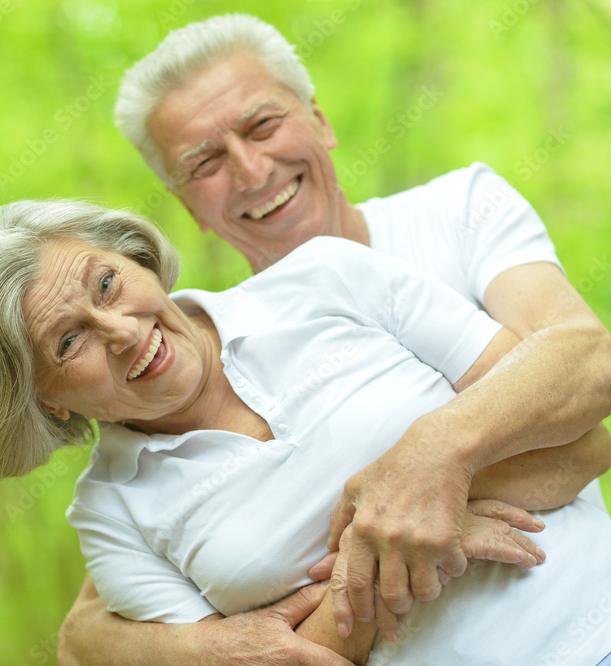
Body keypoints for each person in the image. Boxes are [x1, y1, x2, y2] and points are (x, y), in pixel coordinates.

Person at [59, 14, 611, 664]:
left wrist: (429, 456)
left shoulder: (457, 209)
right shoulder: (193, 378)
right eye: (204, 162)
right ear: (187, 209)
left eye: (262, 125)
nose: (249, 168)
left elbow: (587, 365)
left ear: (319, 120)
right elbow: (82, 637)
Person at [0, 200, 611, 664]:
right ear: (47, 401)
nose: (120, 332)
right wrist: (407, 543)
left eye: (108, 283)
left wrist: (431, 462)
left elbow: (577, 433)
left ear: (139, 260)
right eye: (67, 341)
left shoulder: (326, 276)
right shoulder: (111, 513)